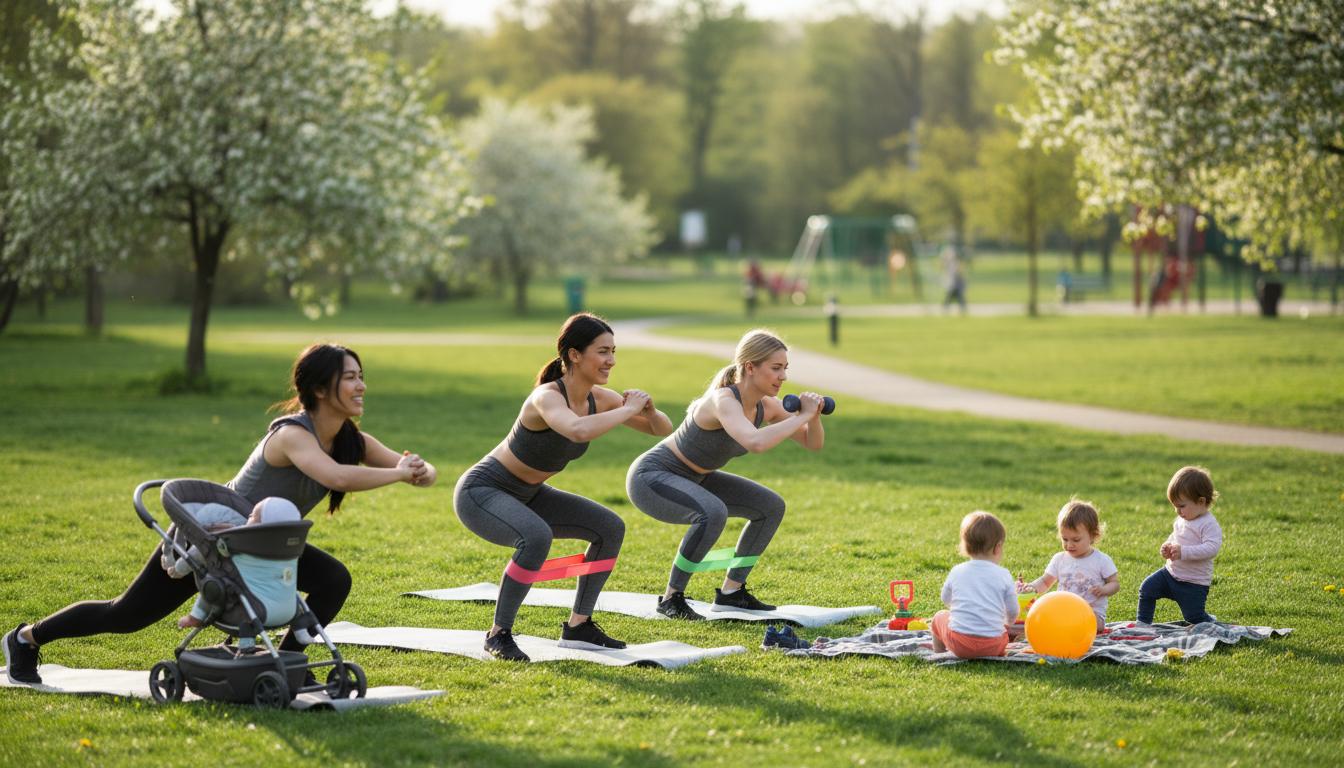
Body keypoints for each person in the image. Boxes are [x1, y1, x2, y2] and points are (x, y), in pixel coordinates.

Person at [3, 343, 436, 685]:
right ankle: (25, 638)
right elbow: (336, 476)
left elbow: (423, 474)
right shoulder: (292, 436)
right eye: (351, 378)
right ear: (321, 389)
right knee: (125, 616)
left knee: (334, 579)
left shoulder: (351, 440)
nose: (361, 386)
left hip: (262, 545)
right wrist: (400, 473)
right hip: (212, 539)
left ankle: (287, 661)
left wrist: (417, 469)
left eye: (361, 376)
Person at [453, 313, 673, 662]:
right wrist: (627, 409)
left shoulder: (599, 399)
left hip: (530, 493)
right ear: (574, 355)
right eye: (602, 351)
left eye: (613, 351)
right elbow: (576, 430)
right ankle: (498, 634)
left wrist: (648, 409)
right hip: (483, 491)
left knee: (609, 528)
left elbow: (660, 428)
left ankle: (579, 626)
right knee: (535, 537)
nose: (611, 361)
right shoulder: (547, 397)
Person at [626, 329, 825, 621]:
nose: (783, 376)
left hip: (698, 477)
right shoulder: (724, 400)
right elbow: (755, 442)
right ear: (750, 367)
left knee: (770, 507)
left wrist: (813, 417)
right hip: (653, 477)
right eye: (776, 368)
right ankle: (670, 599)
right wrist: (802, 416)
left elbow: (813, 443)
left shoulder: (766, 406)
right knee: (712, 512)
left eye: (785, 368)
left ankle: (732, 592)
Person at [177, 497, 304, 635]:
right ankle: (301, 631)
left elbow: (200, 553)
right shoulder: (285, 546)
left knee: (214, 582)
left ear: (260, 525)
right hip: (289, 609)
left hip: (250, 610)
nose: (248, 516)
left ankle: (196, 617)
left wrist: (178, 568)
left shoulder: (242, 542)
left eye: (253, 515)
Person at [1136, 466, 1222, 625]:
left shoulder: (1208, 524)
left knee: (1194, 618)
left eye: (1181, 506)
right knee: (1147, 589)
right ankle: (1142, 625)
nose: (1177, 511)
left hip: (1193, 583)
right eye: (1174, 506)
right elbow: (1176, 536)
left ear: (1201, 501)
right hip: (1170, 574)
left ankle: (1209, 621)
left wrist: (1183, 552)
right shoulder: (1182, 519)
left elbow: (1212, 548)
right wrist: (1167, 545)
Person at [1017, 500, 1119, 632]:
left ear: (1093, 535)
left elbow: (1114, 583)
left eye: (1076, 540)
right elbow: (1045, 581)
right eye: (1065, 539)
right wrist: (1032, 588)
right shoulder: (1059, 559)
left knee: (1095, 624)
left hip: (1090, 612)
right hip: (1064, 610)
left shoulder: (1101, 560)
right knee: (1044, 616)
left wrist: (1104, 589)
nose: (1069, 545)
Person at [929, 511, 1018, 659]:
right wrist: (1007, 623)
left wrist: (959, 610)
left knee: (939, 617)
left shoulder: (957, 571)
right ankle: (996, 652)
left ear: (965, 545)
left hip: (960, 646)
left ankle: (939, 653)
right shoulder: (1004, 575)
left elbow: (945, 598)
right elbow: (1013, 611)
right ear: (997, 547)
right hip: (994, 646)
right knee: (1001, 631)